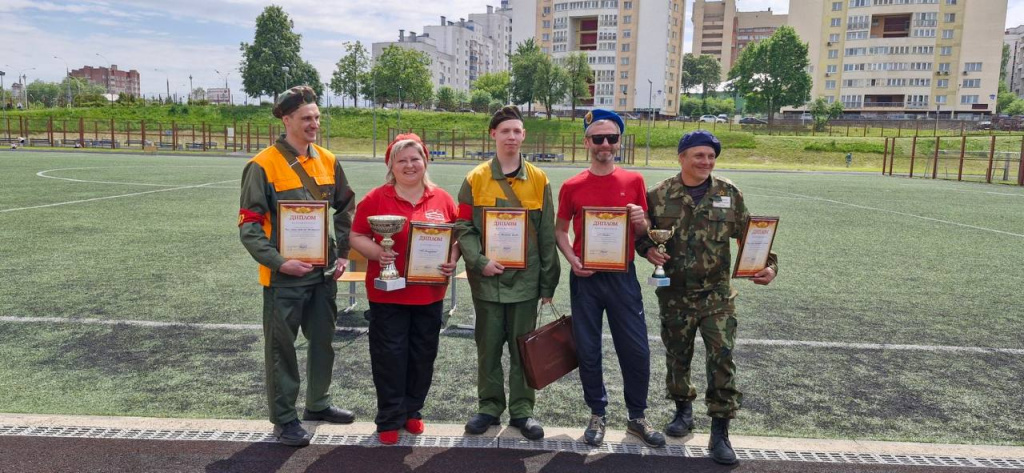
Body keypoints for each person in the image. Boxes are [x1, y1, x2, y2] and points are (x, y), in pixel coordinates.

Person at [637, 130, 778, 465]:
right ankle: (683, 411)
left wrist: (769, 266)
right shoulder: (658, 196)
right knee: (677, 357)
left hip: (717, 294)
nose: (706, 162)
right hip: (674, 294)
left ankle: (720, 431)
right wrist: (646, 251)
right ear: (682, 157)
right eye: (698, 155)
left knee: (722, 357)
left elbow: (751, 236)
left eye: (711, 156)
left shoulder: (729, 193)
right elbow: (642, 237)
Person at [238, 85, 356, 447]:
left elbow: (347, 205)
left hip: (322, 276)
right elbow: (249, 227)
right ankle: (285, 418)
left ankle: (318, 404)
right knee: (281, 349)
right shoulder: (261, 165)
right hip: (284, 278)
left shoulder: (328, 160)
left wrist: (342, 253)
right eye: (306, 118)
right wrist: (280, 262)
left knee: (323, 342)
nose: (314, 124)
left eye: (317, 117)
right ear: (287, 120)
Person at [554, 109, 664, 448]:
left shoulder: (634, 181)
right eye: (598, 138)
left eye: (612, 138)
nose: (605, 144)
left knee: (635, 349)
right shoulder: (572, 185)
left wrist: (639, 218)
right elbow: (560, 231)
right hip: (585, 278)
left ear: (619, 142)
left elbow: (644, 230)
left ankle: (637, 417)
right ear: (587, 142)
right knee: (588, 349)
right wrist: (572, 259)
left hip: (622, 276)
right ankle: (597, 414)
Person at [455, 105, 560, 441]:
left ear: (524, 135)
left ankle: (522, 411)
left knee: (523, 349)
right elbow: (464, 226)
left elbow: (546, 236)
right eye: (505, 131)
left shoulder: (540, 179)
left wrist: (548, 283)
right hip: (486, 281)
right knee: (487, 348)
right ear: (493, 135)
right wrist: (478, 260)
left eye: (517, 131)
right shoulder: (475, 178)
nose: (511, 137)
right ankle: (488, 407)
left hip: (526, 284)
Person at [349, 134, 460, 445]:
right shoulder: (375, 199)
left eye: (415, 158)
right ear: (391, 165)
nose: (410, 165)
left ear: (425, 161)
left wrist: (452, 259)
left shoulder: (443, 199)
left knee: (423, 354)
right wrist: (377, 253)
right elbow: (356, 236)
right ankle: (389, 416)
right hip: (388, 292)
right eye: (402, 160)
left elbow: (458, 238)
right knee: (389, 354)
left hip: (429, 293)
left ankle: (413, 411)